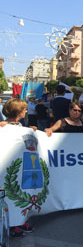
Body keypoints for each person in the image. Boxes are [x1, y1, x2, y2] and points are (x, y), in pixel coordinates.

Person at [0, 98, 36, 237]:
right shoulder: (3, 127)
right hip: (6, 168)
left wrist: (31, 130)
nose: (26, 111)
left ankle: (19, 221)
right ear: (18, 111)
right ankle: (10, 224)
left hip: (21, 167)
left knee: (19, 193)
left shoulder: (21, 127)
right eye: (24, 109)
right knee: (8, 194)